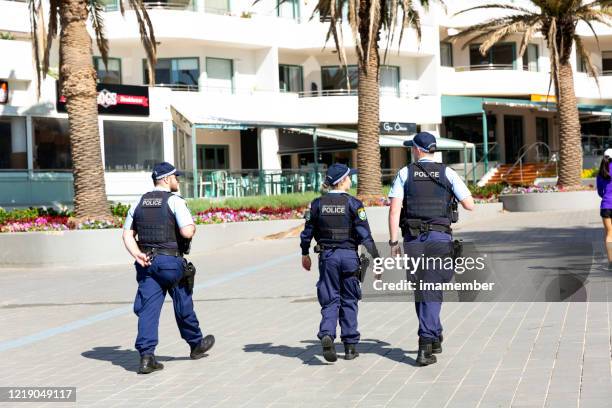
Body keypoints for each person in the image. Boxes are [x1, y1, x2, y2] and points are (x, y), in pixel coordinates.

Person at [387, 132, 474, 366]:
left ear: (417, 150)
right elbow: (470, 205)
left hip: (414, 240)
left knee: (422, 289)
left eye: (412, 148)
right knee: (432, 289)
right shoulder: (448, 172)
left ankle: (432, 335)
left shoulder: (404, 173)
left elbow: (394, 211)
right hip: (440, 239)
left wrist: (394, 242)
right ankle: (426, 343)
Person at [122, 162, 215, 374]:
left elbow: (127, 234)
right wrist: (192, 226)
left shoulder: (138, 202)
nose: (178, 180)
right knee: (183, 303)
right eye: (175, 177)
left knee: (148, 309)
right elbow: (186, 232)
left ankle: (146, 357)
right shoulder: (175, 201)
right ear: (165, 179)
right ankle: (196, 344)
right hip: (171, 263)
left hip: (146, 262)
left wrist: (136, 254)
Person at [300, 163, 380, 362]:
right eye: (349, 177)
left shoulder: (316, 204)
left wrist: (304, 253)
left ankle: (327, 333)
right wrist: (376, 258)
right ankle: (350, 347)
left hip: (327, 258)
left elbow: (307, 233)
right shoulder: (354, 204)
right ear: (343, 181)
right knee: (350, 299)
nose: (351, 180)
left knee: (330, 298)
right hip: (350, 257)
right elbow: (365, 236)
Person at [596, 149, 612, 269]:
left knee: (609, 233)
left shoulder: (601, 172)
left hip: (606, 206)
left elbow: (600, 192)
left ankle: (611, 262)